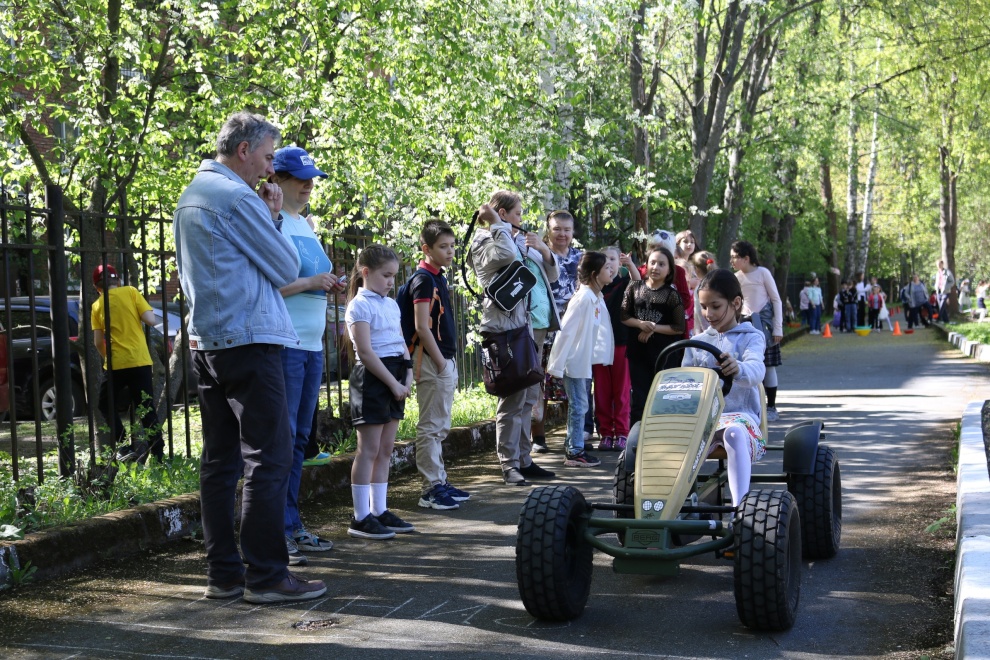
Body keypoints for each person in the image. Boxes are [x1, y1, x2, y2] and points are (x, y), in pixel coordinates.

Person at [173, 111, 326, 603]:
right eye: (266, 156)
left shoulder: (192, 194)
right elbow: (286, 266)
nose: (269, 168)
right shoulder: (236, 197)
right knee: (269, 456)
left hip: (208, 341)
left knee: (220, 461)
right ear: (244, 150)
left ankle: (223, 576)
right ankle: (266, 576)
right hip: (250, 339)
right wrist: (273, 218)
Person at [269, 146, 338, 565]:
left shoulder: (305, 223)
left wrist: (327, 283)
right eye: (300, 178)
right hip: (286, 344)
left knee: (299, 441)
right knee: (282, 440)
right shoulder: (272, 222)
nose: (309, 185)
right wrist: (312, 282)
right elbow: (268, 287)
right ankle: (277, 531)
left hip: (312, 346)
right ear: (276, 179)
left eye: (312, 178)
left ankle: (291, 524)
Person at [467, 201, 554, 486]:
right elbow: (505, 255)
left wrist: (541, 249)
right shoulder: (483, 241)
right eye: (517, 214)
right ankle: (509, 464)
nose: (522, 219)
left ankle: (524, 460)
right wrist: (495, 223)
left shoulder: (509, 237)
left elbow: (544, 274)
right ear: (502, 214)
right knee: (512, 399)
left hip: (523, 327)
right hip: (503, 331)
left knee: (527, 398)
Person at [399, 220, 472, 511]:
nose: (450, 251)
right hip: (431, 360)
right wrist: (441, 363)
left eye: (452, 246)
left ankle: (440, 480)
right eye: (443, 247)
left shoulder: (437, 277)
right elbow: (421, 326)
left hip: (440, 359)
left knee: (440, 424)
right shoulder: (424, 280)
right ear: (426, 249)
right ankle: (430, 488)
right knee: (431, 425)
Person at [344, 244, 415, 539]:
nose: (391, 282)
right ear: (365, 272)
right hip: (373, 379)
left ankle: (379, 510)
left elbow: (400, 342)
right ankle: (360, 517)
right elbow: (365, 352)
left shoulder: (391, 304)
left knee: (386, 449)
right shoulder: (359, 305)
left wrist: (408, 373)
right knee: (369, 450)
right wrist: (392, 383)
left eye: (394, 276)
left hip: (396, 373)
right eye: (386, 275)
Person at [682, 269, 767, 507]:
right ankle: (665, 507)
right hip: (703, 420)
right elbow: (685, 381)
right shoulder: (696, 342)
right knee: (669, 436)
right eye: (703, 307)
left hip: (740, 416)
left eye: (715, 306)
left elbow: (756, 369)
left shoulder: (752, 337)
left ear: (736, 303)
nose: (708, 314)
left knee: (734, 433)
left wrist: (738, 368)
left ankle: (739, 510)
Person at [90, 264, 164, 463]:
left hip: (116, 363)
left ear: (97, 287)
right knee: (146, 407)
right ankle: (159, 455)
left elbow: (97, 342)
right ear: (119, 281)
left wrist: (107, 357)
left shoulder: (97, 305)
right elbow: (150, 320)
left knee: (105, 404)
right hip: (140, 360)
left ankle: (124, 445)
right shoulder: (131, 292)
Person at [547, 252, 614, 467]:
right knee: (579, 405)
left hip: (582, 362)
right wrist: (557, 365)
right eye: (606, 268)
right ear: (595, 274)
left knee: (581, 404)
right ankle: (575, 452)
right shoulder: (584, 298)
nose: (611, 270)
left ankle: (574, 447)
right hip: (575, 362)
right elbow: (565, 331)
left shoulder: (595, 297)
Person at [622, 246, 685, 429]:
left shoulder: (672, 295)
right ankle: (637, 439)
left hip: (664, 354)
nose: (656, 267)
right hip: (638, 353)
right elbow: (624, 316)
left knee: (663, 398)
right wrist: (640, 324)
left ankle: (664, 435)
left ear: (669, 270)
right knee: (639, 399)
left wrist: (653, 328)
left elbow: (679, 327)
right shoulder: (634, 288)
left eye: (661, 264)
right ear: (646, 265)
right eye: (653, 263)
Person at [593, 247, 640, 452]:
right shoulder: (595, 287)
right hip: (599, 346)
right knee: (601, 392)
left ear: (619, 263)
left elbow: (637, 281)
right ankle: (605, 433)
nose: (608, 263)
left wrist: (630, 264)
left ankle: (622, 432)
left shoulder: (624, 284)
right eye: (604, 259)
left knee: (621, 391)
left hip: (621, 344)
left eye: (612, 258)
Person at [729, 241, 783, 422]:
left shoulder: (763, 273)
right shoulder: (736, 277)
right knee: (747, 365)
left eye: (735, 257)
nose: (732, 261)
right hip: (745, 324)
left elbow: (776, 300)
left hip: (765, 326)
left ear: (746, 258)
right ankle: (753, 406)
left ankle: (771, 406)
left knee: (768, 366)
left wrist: (778, 327)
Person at [690, 250, 717, 335]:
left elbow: (699, 313)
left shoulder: (700, 289)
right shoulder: (721, 283)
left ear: (696, 269)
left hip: (707, 334)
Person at [675, 229, 700, 294]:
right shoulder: (674, 263)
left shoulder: (694, 266)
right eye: (685, 241)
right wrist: (689, 283)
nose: (689, 244)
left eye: (692, 242)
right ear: (677, 244)